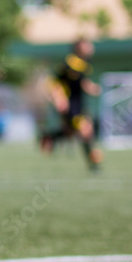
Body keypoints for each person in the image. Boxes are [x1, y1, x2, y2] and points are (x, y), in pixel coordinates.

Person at [42, 39, 103, 171]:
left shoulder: (85, 64)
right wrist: (59, 99)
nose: (91, 47)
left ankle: (50, 137)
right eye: (87, 45)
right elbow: (55, 81)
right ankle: (93, 163)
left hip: (80, 104)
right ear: (79, 48)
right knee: (86, 131)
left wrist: (93, 88)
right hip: (71, 106)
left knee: (70, 133)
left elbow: (82, 82)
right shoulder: (69, 63)